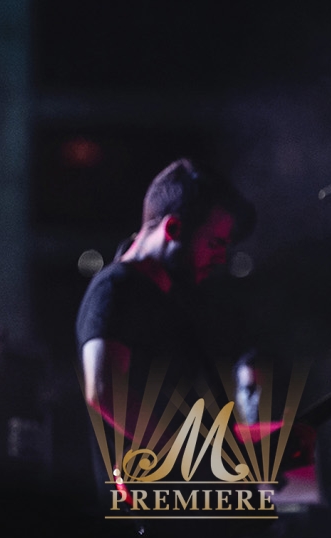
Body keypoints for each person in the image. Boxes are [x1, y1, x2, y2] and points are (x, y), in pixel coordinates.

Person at [76, 157, 256, 443]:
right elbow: (102, 389)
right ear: (172, 228)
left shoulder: (169, 300)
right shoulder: (116, 287)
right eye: (214, 244)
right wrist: (183, 454)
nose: (221, 258)